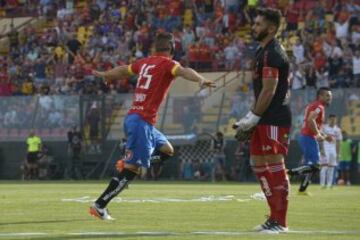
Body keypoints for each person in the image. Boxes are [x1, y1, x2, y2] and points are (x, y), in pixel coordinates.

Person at [89, 32, 215, 220]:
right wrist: (200, 79)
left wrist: (107, 75)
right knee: (132, 170)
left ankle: (131, 160)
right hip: (141, 122)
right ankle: (100, 205)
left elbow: (123, 70)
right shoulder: (169, 64)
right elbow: (184, 71)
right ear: (172, 49)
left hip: (139, 120)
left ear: (155, 48)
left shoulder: (145, 62)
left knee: (167, 150)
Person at [234, 8, 291, 233]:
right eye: (254, 23)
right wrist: (251, 116)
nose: (254, 27)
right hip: (263, 118)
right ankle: (273, 217)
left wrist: (254, 117)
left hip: (274, 118)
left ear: (271, 28)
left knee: (276, 166)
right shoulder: (262, 51)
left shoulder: (273, 52)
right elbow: (261, 94)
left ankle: (281, 222)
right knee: (258, 166)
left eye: (258, 24)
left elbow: (269, 90)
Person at [287, 87, 333, 194]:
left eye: (330, 96)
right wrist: (317, 134)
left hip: (306, 137)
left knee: (312, 167)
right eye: (327, 96)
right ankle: (289, 173)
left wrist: (325, 136)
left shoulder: (316, 105)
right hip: (308, 138)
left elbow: (314, 123)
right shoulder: (319, 107)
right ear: (320, 96)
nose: (329, 98)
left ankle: (302, 189)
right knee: (316, 166)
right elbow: (310, 119)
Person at [320, 114, 342, 188]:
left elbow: (338, 142)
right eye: (331, 119)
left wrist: (338, 153)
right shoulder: (324, 128)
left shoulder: (338, 130)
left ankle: (329, 184)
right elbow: (320, 138)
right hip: (325, 148)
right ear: (328, 119)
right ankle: (322, 184)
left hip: (333, 150)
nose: (333, 121)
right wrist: (322, 149)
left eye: (334, 120)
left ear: (336, 120)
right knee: (324, 167)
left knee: (331, 167)